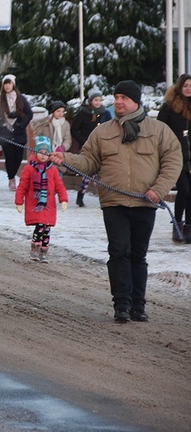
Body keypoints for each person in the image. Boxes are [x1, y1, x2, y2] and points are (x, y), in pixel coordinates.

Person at [50, 80, 182, 323]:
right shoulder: (103, 131)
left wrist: (159, 189)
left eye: (124, 97)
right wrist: (65, 159)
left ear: (135, 101)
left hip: (145, 201)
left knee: (138, 255)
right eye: (116, 96)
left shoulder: (159, 130)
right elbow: (88, 161)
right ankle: (121, 304)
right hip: (114, 202)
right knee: (119, 251)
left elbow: (173, 160)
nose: (118, 101)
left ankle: (138, 305)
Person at [15, 136, 68, 263]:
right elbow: (22, 186)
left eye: (46, 153)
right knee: (40, 226)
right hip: (35, 204)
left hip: (49, 205)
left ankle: (43, 252)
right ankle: (35, 248)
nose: (43, 156)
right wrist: (19, 201)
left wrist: (63, 199)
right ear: (35, 152)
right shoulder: (29, 168)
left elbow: (59, 186)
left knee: (47, 229)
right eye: (40, 152)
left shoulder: (53, 170)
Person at [158, 74, 191, 243]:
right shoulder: (170, 106)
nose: (188, 89)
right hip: (176, 155)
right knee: (184, 190)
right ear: (180, 86)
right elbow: (159, 129)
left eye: (190, 86)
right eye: (185, 85)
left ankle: (189, 229)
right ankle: (177, 226)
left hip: (190, 154)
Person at [0, 74, 34, 191]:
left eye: (9, 83)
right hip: (6, 133)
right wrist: (2, 124)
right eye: (5, 83)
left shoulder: (21, 99)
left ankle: (13, 174)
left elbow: (29, 114)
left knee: (18, 156)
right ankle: (11, 179)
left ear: (13, 84)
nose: (7, 86)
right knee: (9, 156)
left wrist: (21, 122)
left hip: (19, 131)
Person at [71, 90, 112, 207]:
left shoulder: (105, 113)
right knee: (89, 171)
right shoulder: (83, 113)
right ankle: (81, 194)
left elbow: (110, 127)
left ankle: (104, 196)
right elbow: (75, 129)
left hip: (103, 146)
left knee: (102, 172)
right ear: (90, 101)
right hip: (87, 147)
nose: (98, 102)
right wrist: (84, 140)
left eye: (100, 100)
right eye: (95, 100)